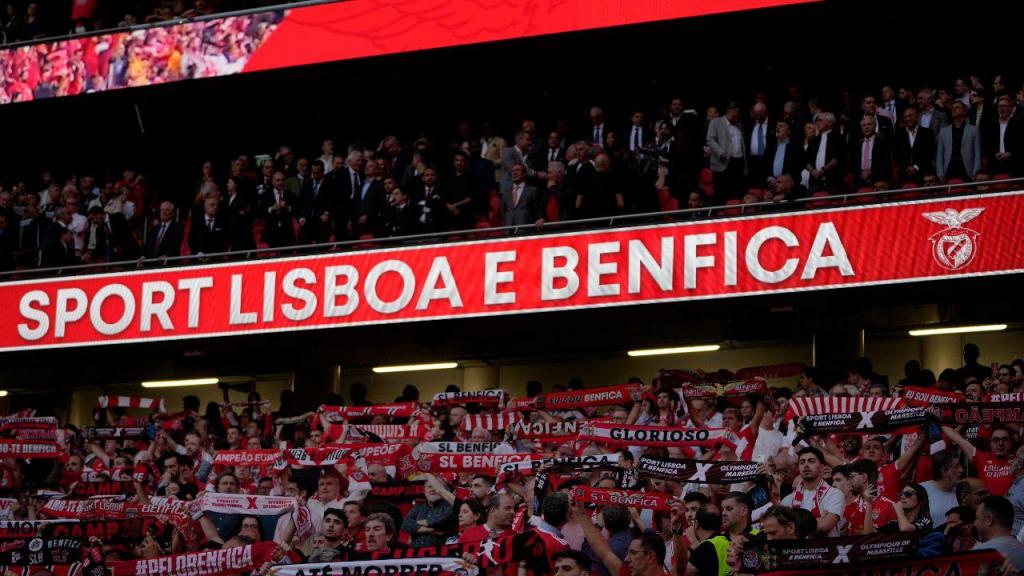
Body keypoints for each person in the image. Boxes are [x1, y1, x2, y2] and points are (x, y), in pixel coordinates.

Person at [972, 496, 1024, 571]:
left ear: (989, 520)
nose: (974, 524)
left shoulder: (980, 552)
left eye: (976, 518)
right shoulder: (1021, 549)